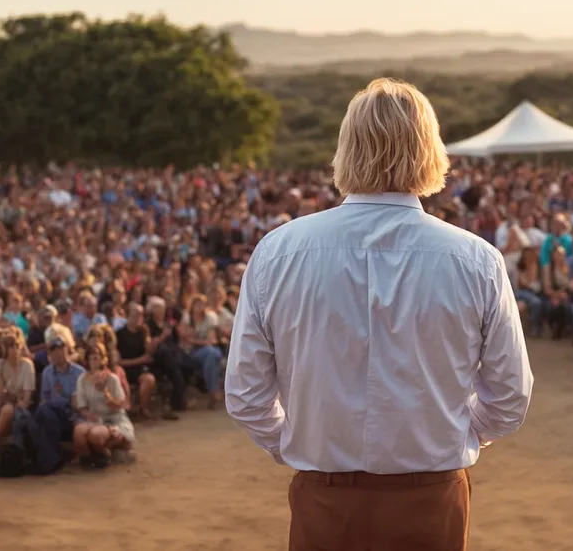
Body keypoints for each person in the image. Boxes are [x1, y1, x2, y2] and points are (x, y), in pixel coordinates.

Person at [226, 78, 533, 551]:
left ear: (346, 148)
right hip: (431, 497)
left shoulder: (279, 252)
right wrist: (456, 433)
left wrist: (296, 442)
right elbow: (510, 395)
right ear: (430, 150)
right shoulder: (475, 259)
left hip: (324, 497)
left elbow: (245, 393)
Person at [72, 342, 136, 469]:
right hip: (96, 418)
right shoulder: (82, 379)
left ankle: (106, 452)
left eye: (97, 356)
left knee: (95, 434)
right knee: (79, 432)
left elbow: (119, 405)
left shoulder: (112, 379)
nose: (94, 360)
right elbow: (81, 407)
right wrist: (90, 416)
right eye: (91, 357)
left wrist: (104, 391)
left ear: (103, 359)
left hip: (114, 419)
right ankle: (89, 460)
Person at [0, 328, 35, 457]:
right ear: (5, 349)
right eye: (11, 347)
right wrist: (15, 397)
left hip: (15, 403)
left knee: (8, 410)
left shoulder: (27, 365)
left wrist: (13, 398)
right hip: (2, 399)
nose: (15, 350)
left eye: (17, 346)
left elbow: (26, 399)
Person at [38, 336, 85, 404]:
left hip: (74, 410)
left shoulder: (79, 372)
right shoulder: (47, 373)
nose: (58, 353)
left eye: (61, 349)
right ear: (49, 355)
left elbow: (85, 399)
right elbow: (44, 399)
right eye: (53, 350)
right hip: (54, 411)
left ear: (67, 350)